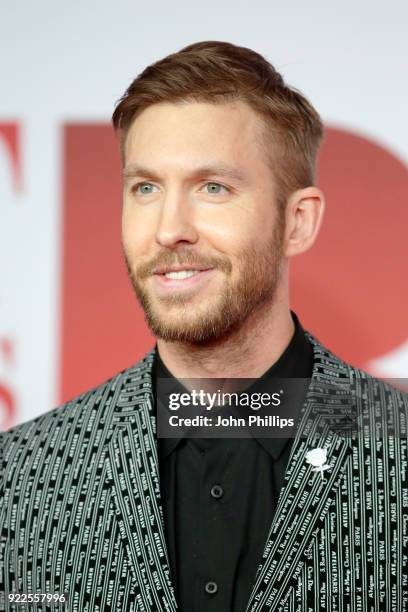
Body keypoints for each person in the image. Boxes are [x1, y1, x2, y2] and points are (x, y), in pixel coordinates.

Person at [1, 41, 407, 612]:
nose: (170, 230)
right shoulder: (20, 476)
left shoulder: (395, 445)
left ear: (297, 221)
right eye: (145, 188)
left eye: (212, 187)